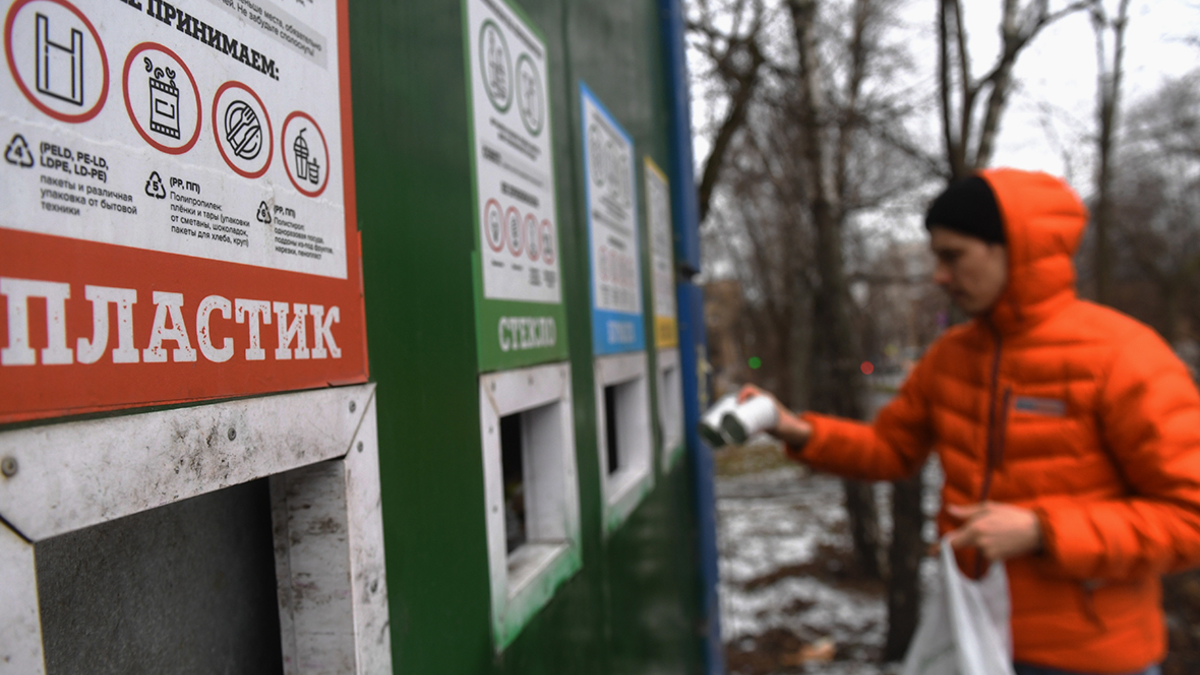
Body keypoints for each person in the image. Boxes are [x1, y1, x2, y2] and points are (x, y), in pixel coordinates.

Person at [742, 168, 1200, 675]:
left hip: (1092, 658)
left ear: (1014, 249)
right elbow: (890, 449)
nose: (939, 275)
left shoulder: (1124, 357)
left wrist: (1044, 531)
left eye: (952, 256)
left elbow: (1189, 517)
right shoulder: (953, 356)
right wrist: (793, 428)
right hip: (971, 637)